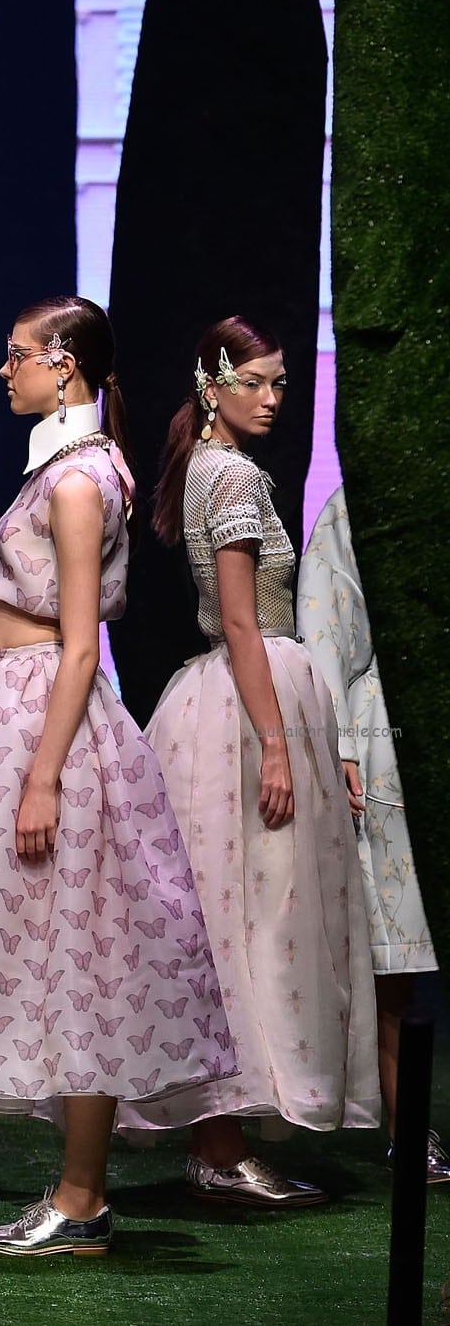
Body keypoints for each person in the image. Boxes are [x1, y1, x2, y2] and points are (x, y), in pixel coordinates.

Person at [0, 296, 233, 1256]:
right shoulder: (58, 469)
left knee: (80, 957)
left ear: (65, 365)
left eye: (18, 357)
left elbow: (82, 645)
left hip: (51, 720)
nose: (5, 372)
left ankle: (83, 1197)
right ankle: (74, 1191)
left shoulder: (81, 480)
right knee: (56, 955)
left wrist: (43, 774)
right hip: (19, 713)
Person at [117, 318, 379, 1201]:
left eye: (278, 385)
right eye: (258, 383)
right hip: (245, 701)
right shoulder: (230, 473)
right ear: (214, 385)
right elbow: (238, 618)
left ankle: (221, 1135)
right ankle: (220, 1143)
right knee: (247, 913)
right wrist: (275, 741)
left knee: (241, 910)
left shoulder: (212, 467)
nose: (273, 399)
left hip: (241, 695)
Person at [299, 484, 446, 1180]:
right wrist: (340, 743)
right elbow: (326, 620)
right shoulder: (360, 503)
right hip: (390, 722)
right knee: (398, 952)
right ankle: (408, 1125)